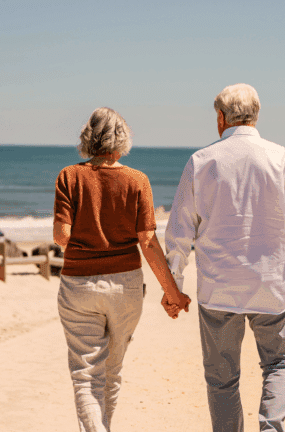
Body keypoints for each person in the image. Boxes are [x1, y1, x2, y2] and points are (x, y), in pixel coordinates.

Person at [164, 84, 285, 432]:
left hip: (218, 288)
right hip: (271, 285)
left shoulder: (201, 161)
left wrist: (174, 284)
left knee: (222, 379)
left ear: (221, 117)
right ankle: (270, 428)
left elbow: (179, 231)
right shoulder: (281, 157)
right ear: (256, 115)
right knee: (280, 363)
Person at [53, 107, 191, 432]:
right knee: (111, 373)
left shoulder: (68, 176)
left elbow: (61, 236)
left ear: (88, 137)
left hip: (79, 287)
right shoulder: (137, 180)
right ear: (123, 139)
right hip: (126, 287)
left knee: (86, 376)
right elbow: (148, 241)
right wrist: (173, 293)